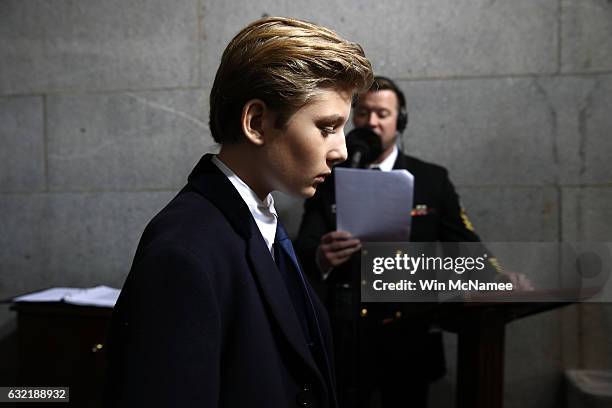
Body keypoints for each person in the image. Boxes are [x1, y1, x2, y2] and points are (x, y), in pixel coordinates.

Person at [106, 17, 373, 408]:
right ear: (256, 122)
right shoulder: (184, 252)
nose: (342, 151)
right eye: (326, 127)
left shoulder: (258, 217)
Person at [295, 76, 530, 408]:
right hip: (346, 339)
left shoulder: (432, 179)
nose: (371, 122)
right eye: (363, 113)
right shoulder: (327, 176)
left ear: (399, 120)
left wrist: (499, 276)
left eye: (382, 113)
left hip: (411, 337)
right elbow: (303, 244)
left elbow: (465, 244)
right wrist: (322, 255)